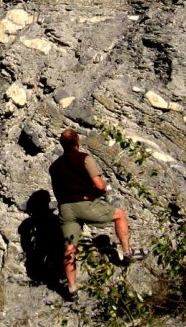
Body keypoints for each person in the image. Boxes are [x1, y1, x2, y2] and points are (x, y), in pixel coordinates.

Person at [49, 128, 144, 300]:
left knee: (69, 248)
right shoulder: (84, 158)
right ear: (77, 142)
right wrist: (101, 191)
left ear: (62, 145)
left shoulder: (54, 167)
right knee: (119, 214)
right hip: (85, 204)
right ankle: (128, 253)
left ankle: (72, 290)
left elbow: (56, 191)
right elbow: (100, 185)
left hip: (65, 208)